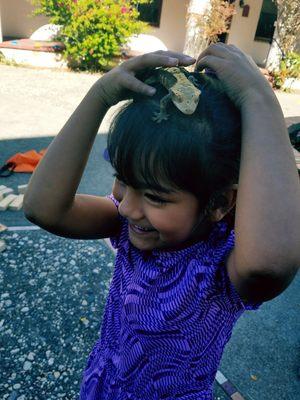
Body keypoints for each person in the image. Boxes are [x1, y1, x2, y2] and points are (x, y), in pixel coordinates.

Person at [23, 44, 300, 399]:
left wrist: (259, 101)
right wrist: (101, 94)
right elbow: (43, 208)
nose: (127, 208)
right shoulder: (127, 224)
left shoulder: (219, 267)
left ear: (220, 202)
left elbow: (270, 264)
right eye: (123, 179)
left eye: (155, 196)